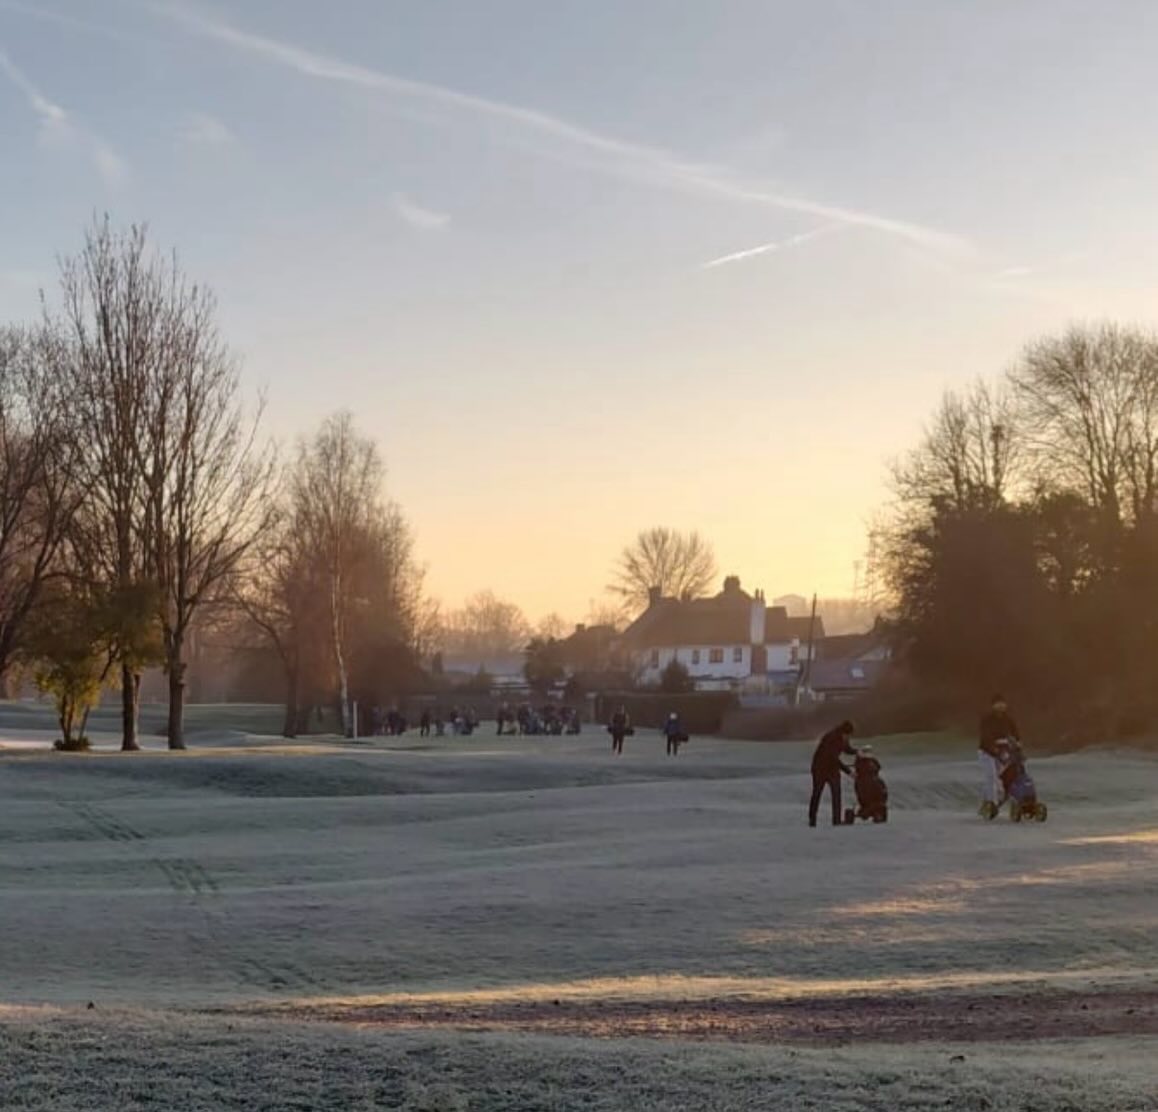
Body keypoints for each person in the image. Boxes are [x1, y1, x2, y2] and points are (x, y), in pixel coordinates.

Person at [809, 720, 856, 827]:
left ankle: (837, 820)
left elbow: (846, 749)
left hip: (832, 769)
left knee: (836, 794)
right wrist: (849, 772)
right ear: (844, 733)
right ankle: (812, 820)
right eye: (848, 736)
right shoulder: (831, 737)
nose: (848, 738)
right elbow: (833, 758)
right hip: (819, 768)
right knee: (817, 794)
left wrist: (857, 752)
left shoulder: (842, 737)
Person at [979, 694, 1019, 813]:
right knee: (991, 776)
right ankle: (992, 804)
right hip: (987, 752)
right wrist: (994, 746)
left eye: (1003, 703)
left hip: (1003, 752)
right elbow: (986, 737)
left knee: (1004, 777)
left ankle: (987, 802)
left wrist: (1017, 743)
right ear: (993, 705)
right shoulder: (987, 719)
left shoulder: (1008, 720)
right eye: (998, 703)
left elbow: (1016, 734)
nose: (1001, 705)